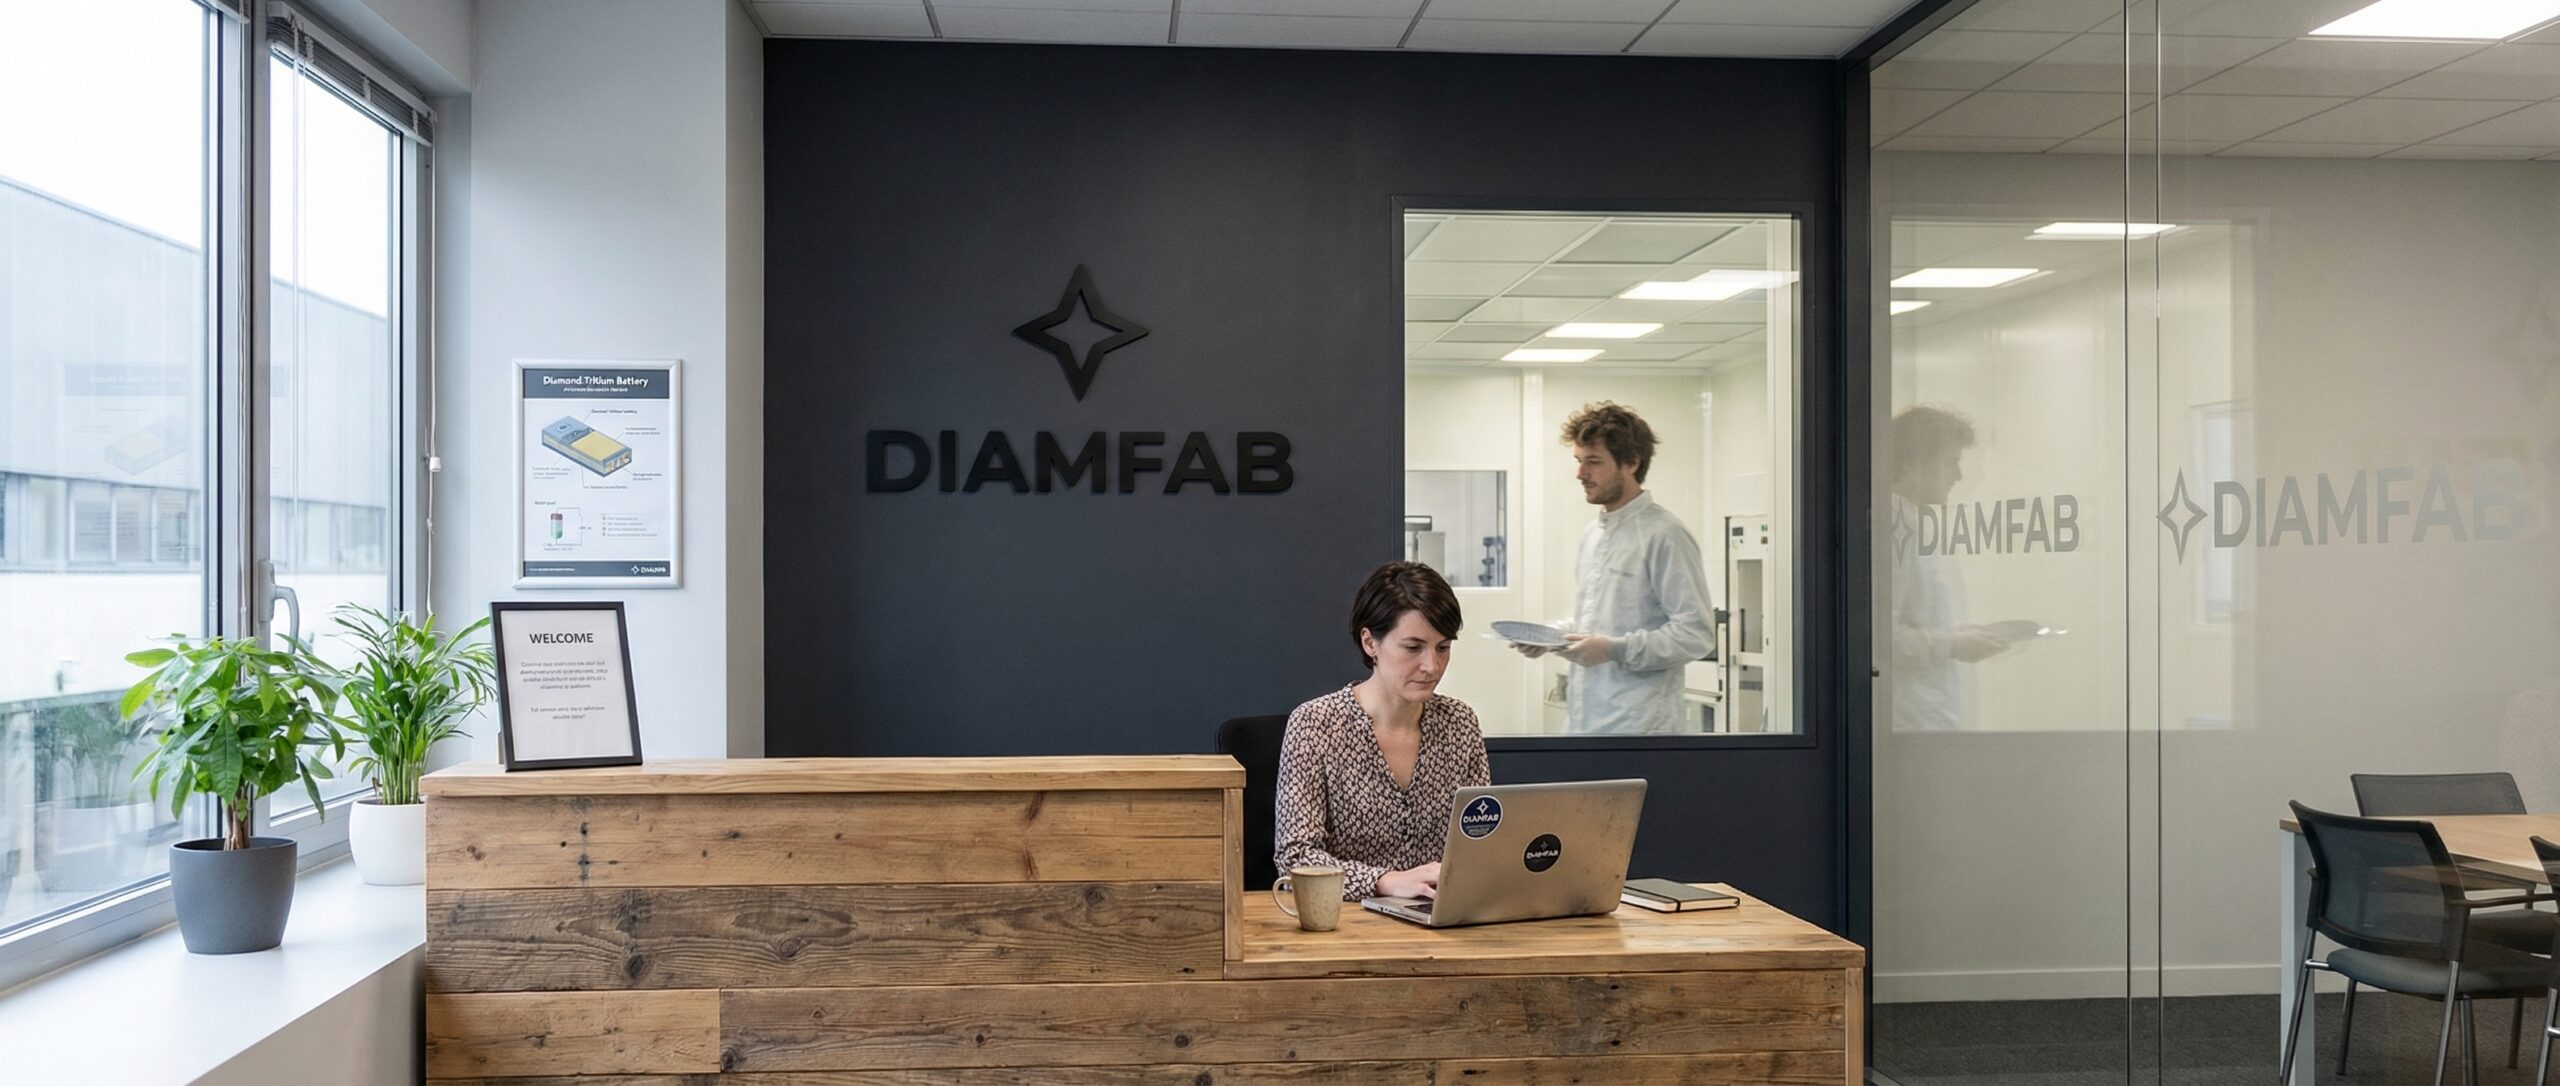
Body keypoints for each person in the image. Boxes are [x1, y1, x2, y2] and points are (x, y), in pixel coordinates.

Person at [1274, 561, 1491, 901]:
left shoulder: (1459, 723)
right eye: (1413, 647)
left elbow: (1482, 842)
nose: (1431, 666)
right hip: (1348, 921)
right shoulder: (1316, 724)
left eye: (1443, 647)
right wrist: (1384, 881)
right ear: (1370, 643)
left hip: (1442, 917)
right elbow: (1295, 858)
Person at [1515, 402, 1715, 735]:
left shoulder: (1665, 535)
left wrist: (1613, 650)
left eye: (1593, 462)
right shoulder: (1592, 535)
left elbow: (1696, 634)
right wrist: (1552, 638)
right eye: (1579, 461)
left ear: (1632, 462)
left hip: (1640, 731)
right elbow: (1598, 622)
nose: (1581, 474)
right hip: (1583, 728)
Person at [1887, 404, 2004, 731]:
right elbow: (1880, 638)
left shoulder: (1910, 524)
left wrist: (1956, 634)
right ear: (1912, 464)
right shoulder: (1893, 529)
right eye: (1950, 462)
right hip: (1910, 723)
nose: (1959, 475)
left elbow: (1912, 619)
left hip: (1928, 718)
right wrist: (1952, 644)